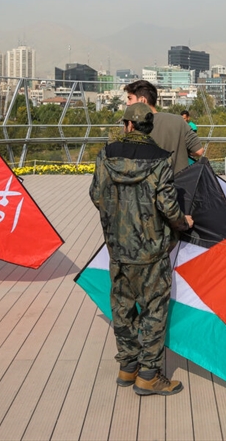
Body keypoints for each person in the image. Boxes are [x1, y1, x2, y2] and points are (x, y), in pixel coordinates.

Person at [90, 103, 193, 396]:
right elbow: (168, 207)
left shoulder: (106, 155)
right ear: (148, 127)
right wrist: (183, 222)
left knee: (122, 308)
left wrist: (118, 217)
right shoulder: (160, 160)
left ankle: (128, 367)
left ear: (128, 125)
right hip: (152, 252)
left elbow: (96, 195)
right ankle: (148, 374)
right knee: (153, 311)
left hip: (118, 249)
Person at [124, 80, 203, 176]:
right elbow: (199, 151)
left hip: (144, 187)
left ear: (142, 100)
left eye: (130, 98)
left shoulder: (131, 126)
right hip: (177, 186)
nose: (127, 103)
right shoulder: (178, 121)